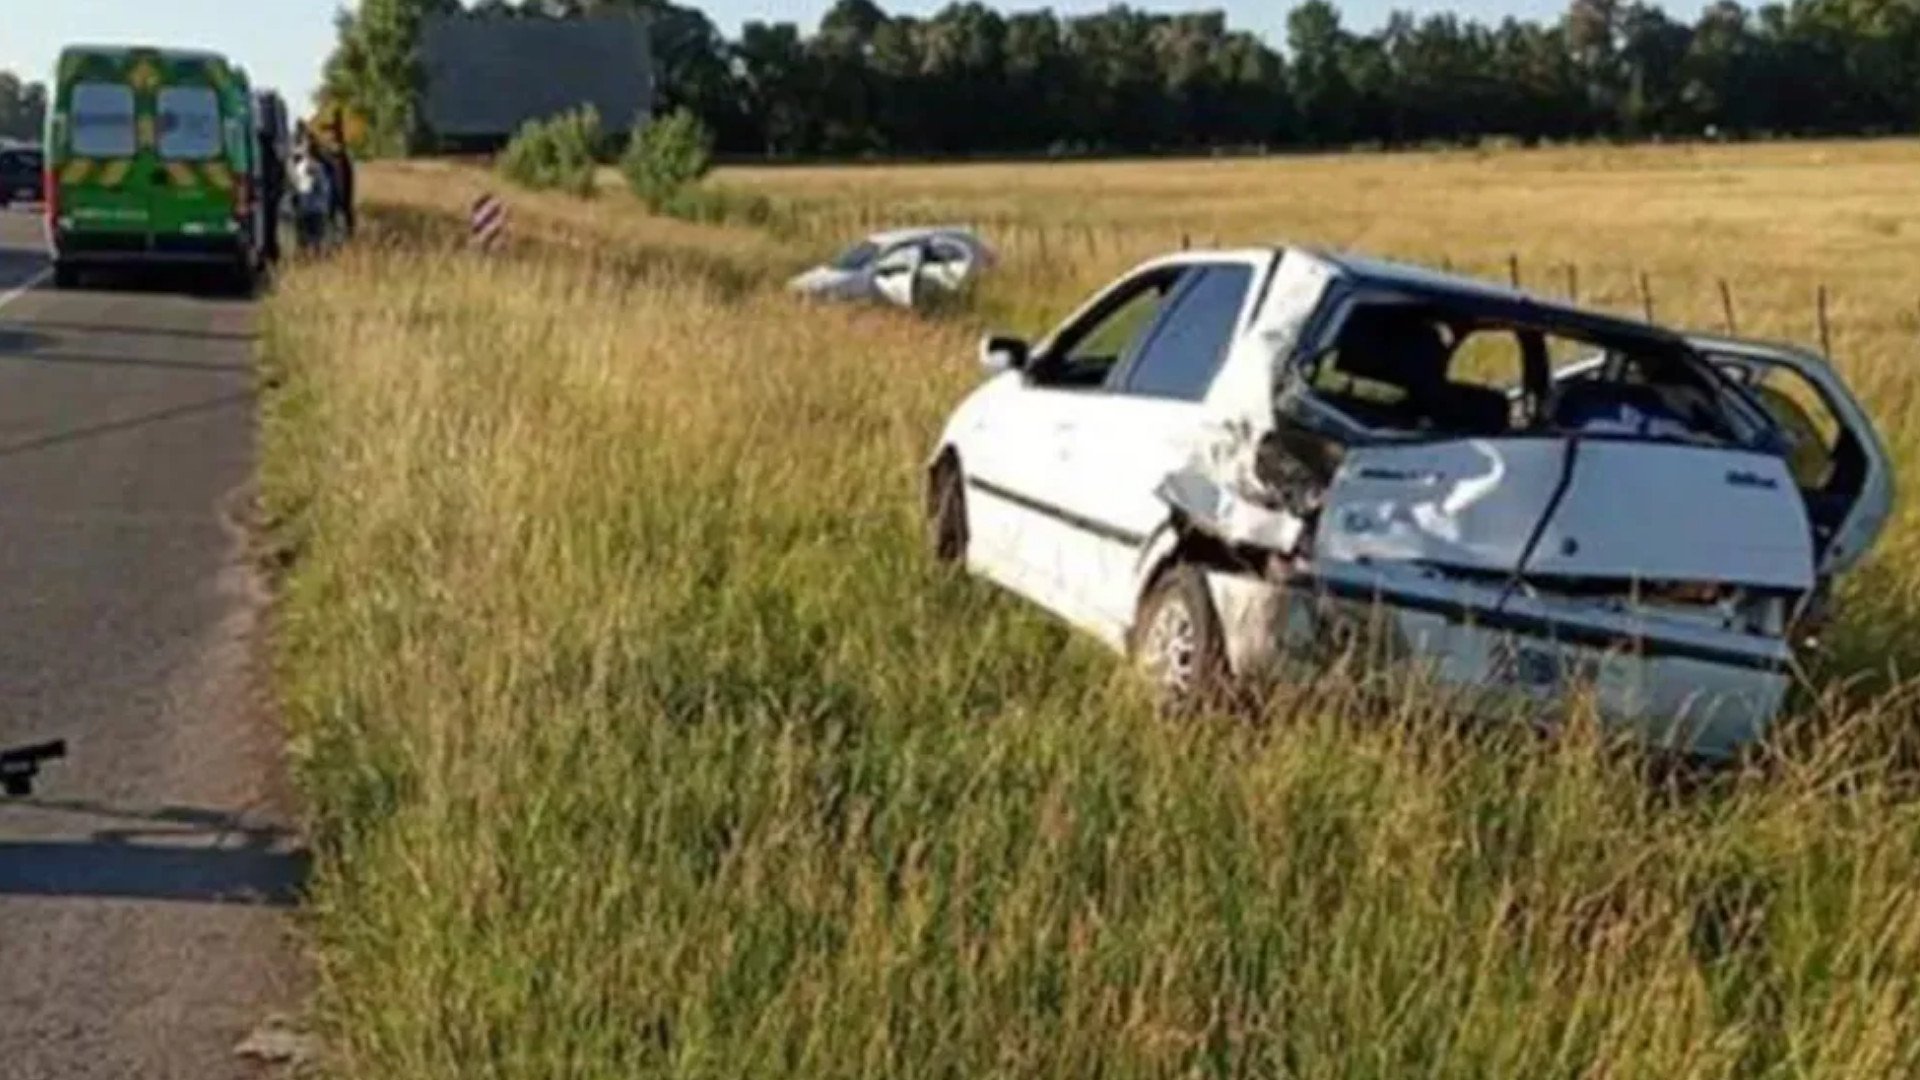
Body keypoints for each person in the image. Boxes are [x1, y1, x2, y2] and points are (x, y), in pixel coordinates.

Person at [289, 138, 334, 253]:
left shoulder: (306, 168)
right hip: (319, 209)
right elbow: (325, 190)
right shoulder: (321, 168)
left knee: (305, 242)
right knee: (318, 242)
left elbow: (302, 191)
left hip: (307, 210)